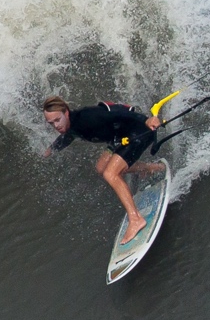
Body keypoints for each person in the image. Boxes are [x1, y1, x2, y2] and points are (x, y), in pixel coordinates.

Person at [42, 96, 164, 244]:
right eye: (51, 123)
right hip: (120, 136)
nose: (56, 126)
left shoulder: (87, 118)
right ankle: (149, 168)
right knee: (101, 167)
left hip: (139, 131)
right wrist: (50, 150)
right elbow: (68, 137)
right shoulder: (71, 126)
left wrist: (147, 120)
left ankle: (136, 219)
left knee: (111, 173)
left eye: (57, 120)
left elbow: (118, 114)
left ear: (66, 113)